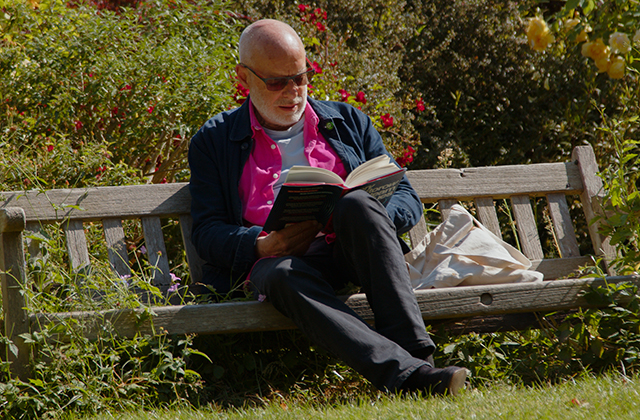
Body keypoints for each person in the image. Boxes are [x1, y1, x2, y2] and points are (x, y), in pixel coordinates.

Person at [188, 18, 467, 395]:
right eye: (277, 82)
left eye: (301, 77)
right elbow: (207, 231)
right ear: (243, 78)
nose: (293, 92)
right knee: (280, 273)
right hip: (280, 264)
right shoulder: (213, 141)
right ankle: (414, 377)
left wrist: (366, 217)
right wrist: (258, 244)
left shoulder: (347, 121)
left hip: (352, 253)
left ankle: (417, 358)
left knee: (358, 206)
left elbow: (406, 196)